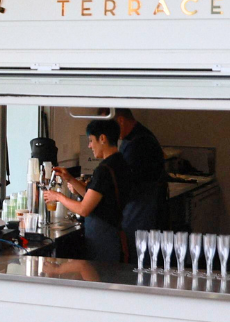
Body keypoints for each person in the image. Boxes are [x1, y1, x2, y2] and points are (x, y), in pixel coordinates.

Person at [45, 119, 131, 263]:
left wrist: (58, 197)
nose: (89, 145)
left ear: (102, 138)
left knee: (99, 277)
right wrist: (70, 178)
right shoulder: (119, 162)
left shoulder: (104, 170)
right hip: (114, 233)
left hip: (103, 238)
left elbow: (84, 209)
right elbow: (93, 196)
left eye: (91, 140)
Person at [113, 108, 167, 250]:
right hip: (140, 205)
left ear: (121, 121)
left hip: (141, 206)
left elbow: (130, 180)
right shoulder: (134, 137)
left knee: (139, 254)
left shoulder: (139, 142)